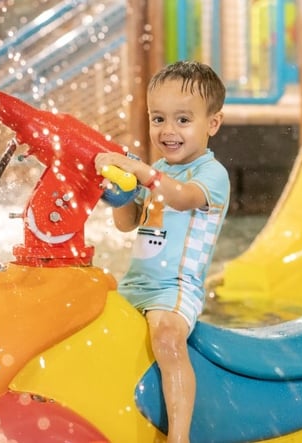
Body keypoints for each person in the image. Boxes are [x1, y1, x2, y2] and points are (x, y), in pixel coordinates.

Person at [95, 60, 229, 443]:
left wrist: (140, 171)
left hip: (175, 288)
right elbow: (127, 222)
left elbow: (184, 199)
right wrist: (117, 193)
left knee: (167, 337)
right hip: (137, 284)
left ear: (212, 124)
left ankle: (179, 436)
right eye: (158, 119)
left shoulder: (210, 174)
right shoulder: (156, 168)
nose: (168, 131)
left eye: (183, 120)